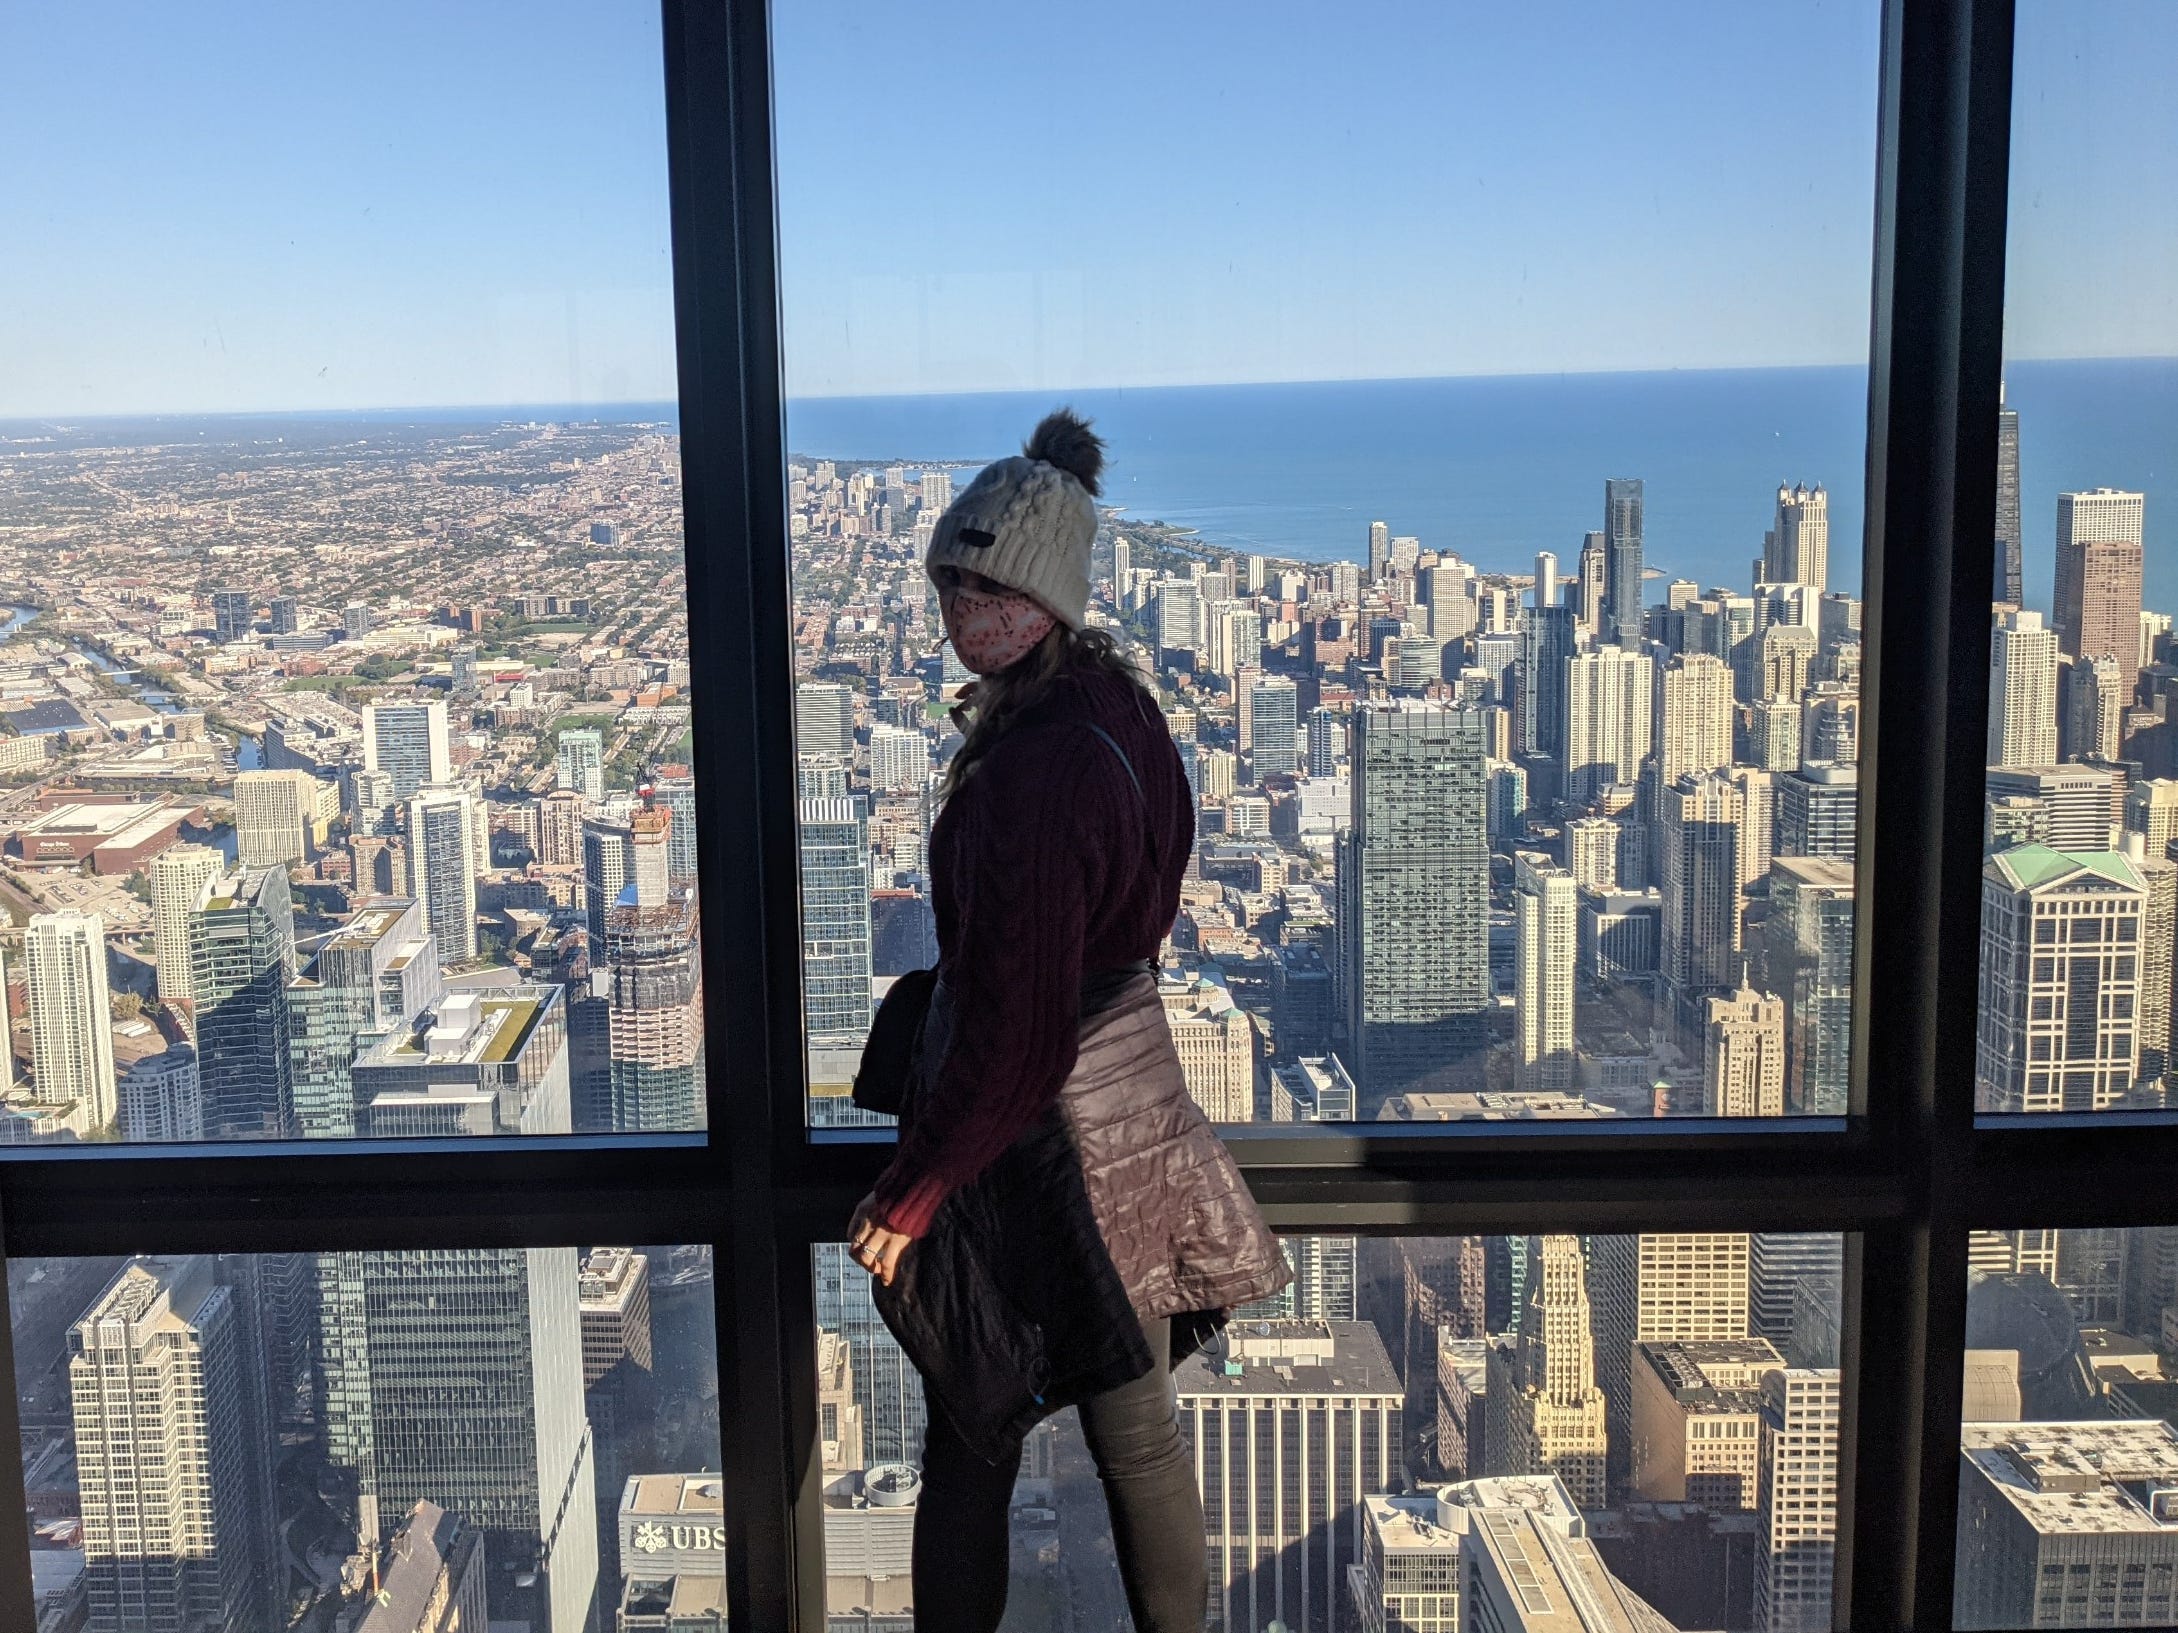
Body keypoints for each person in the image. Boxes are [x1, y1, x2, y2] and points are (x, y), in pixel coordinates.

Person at [847, 408, 1288, 1631]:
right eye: (948, 581)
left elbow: (1022, 1031)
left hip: (1036, 1138)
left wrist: (918, 1190)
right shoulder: (1123, 712)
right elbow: (1135, 916)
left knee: (972, 1423)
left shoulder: (1037, 769)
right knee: (1138, 1434)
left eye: (981, 584)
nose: (958, 609)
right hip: (1139, 1099)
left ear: (1037, 592)